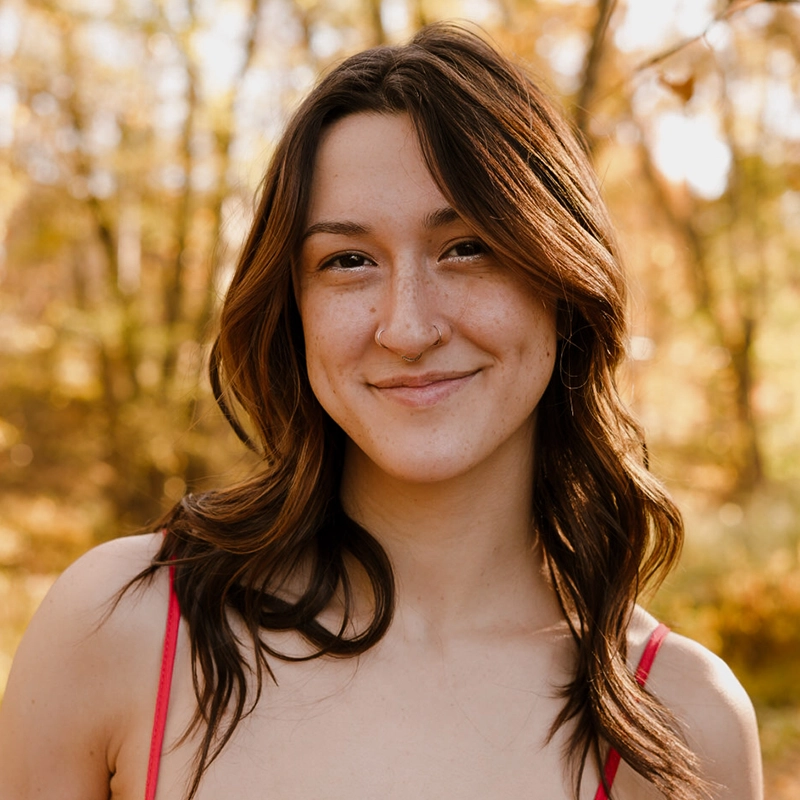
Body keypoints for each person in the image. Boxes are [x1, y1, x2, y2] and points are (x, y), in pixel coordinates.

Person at [0, 22, 762, 800]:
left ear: (563, 285)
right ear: (293, 311)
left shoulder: (680, 724)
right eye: (348, 261)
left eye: (467, 247)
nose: (406, 327)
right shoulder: (119, 630)